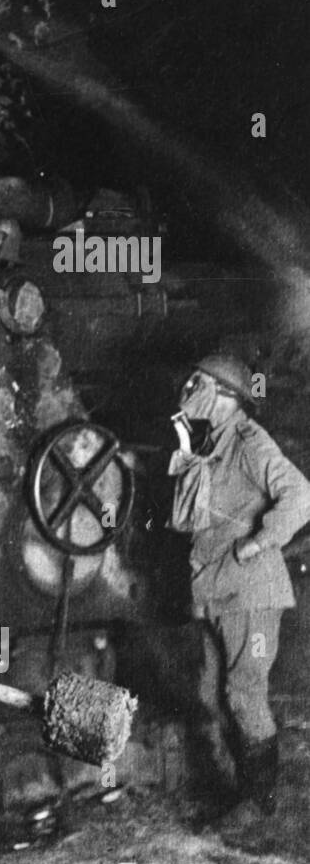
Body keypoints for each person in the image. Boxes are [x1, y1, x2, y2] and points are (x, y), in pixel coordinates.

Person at [169, 353, 310, 825]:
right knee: (213, 693)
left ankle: (259, 804)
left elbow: (301, 494)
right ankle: (241, 790)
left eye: (198, 383)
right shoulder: (212, 443)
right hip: (216, 589)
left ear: (226, 396)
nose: (188, 389)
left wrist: (260, 541)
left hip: (251, 590)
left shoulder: (250, 442)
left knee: (244, 691)